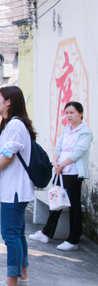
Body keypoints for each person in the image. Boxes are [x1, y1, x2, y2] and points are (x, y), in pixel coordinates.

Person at [0, 86, 35, 286]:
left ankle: (12, 285)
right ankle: (22, 278)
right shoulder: (11, 125)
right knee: (18, 235)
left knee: (10, 236)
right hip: (15, 188)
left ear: (8, 102)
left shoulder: (15, 124)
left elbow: (7, 156)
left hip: (15, 190)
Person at [30, 101, 93, 250]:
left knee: (74, 205)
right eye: (67, 113)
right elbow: (58, 147)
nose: (69, 116)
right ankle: (47, 233)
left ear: (81, 113)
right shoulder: (67, 129)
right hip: (61, 171)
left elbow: (78, 152)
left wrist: (61, 165)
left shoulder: (85, 131)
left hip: (73, 172)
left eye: (72, 112)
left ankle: (73, 240)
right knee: (56, 200)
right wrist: (56, 163)